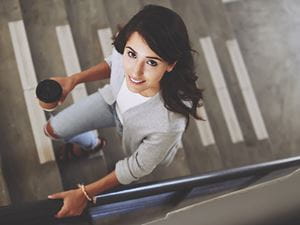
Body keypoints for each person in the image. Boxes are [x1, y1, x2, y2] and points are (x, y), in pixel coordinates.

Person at [45, 5, 203, 218]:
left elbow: (135, 167)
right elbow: (115, 63)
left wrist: (85, 193)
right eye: (131, 54)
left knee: (126, 166)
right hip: (112, 103)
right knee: (52, 130)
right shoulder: (129, 41)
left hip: (137, 135)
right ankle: (93, 144)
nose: (135, 72)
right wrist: (74, 80)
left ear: (170, 65)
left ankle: (92, 145)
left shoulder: (169, 125)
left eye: (152, 62)